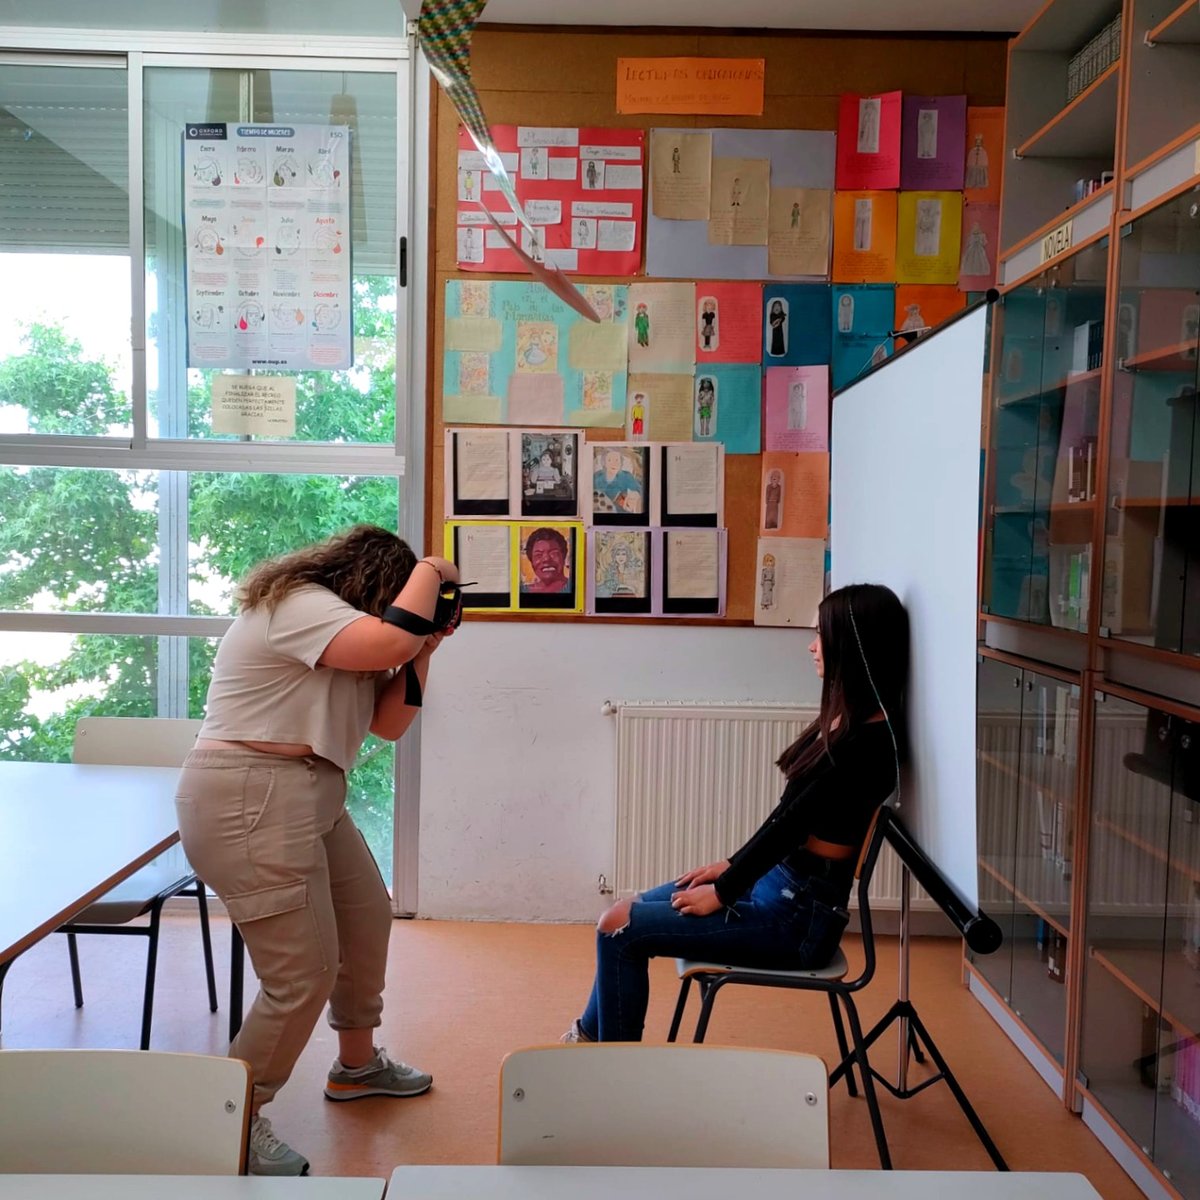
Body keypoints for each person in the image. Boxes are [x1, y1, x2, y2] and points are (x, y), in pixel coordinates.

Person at [174, 526, 459, 1176]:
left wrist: (427, 646)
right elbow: (391, 635)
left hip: (307, 793)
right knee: (301, 974)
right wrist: (437, 568)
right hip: (250, 792)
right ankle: (229, 1118)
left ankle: (358, 1067)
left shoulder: (346, 634)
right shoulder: (296, 604)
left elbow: (388, 725)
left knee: (365, 923)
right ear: (372, 580)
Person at [562, 583, 909, 1043]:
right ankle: (587, 1048)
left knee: (618, 927)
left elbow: (788, 829)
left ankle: (620, 1079)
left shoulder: (869, 747)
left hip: (797, 920)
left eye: (820, 636)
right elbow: (786, 816)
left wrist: (725, 889)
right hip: (778, 889)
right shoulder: (850, 720)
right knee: (626, 913)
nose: (811, 646)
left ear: (853, 643)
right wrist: (730, 868)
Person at [523, 527, 571, 593]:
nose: (546, 559)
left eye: (553, 553)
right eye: (538, 555)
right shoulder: (520, 591)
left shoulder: (577, 588)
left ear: (564, 556)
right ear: (531, 561)